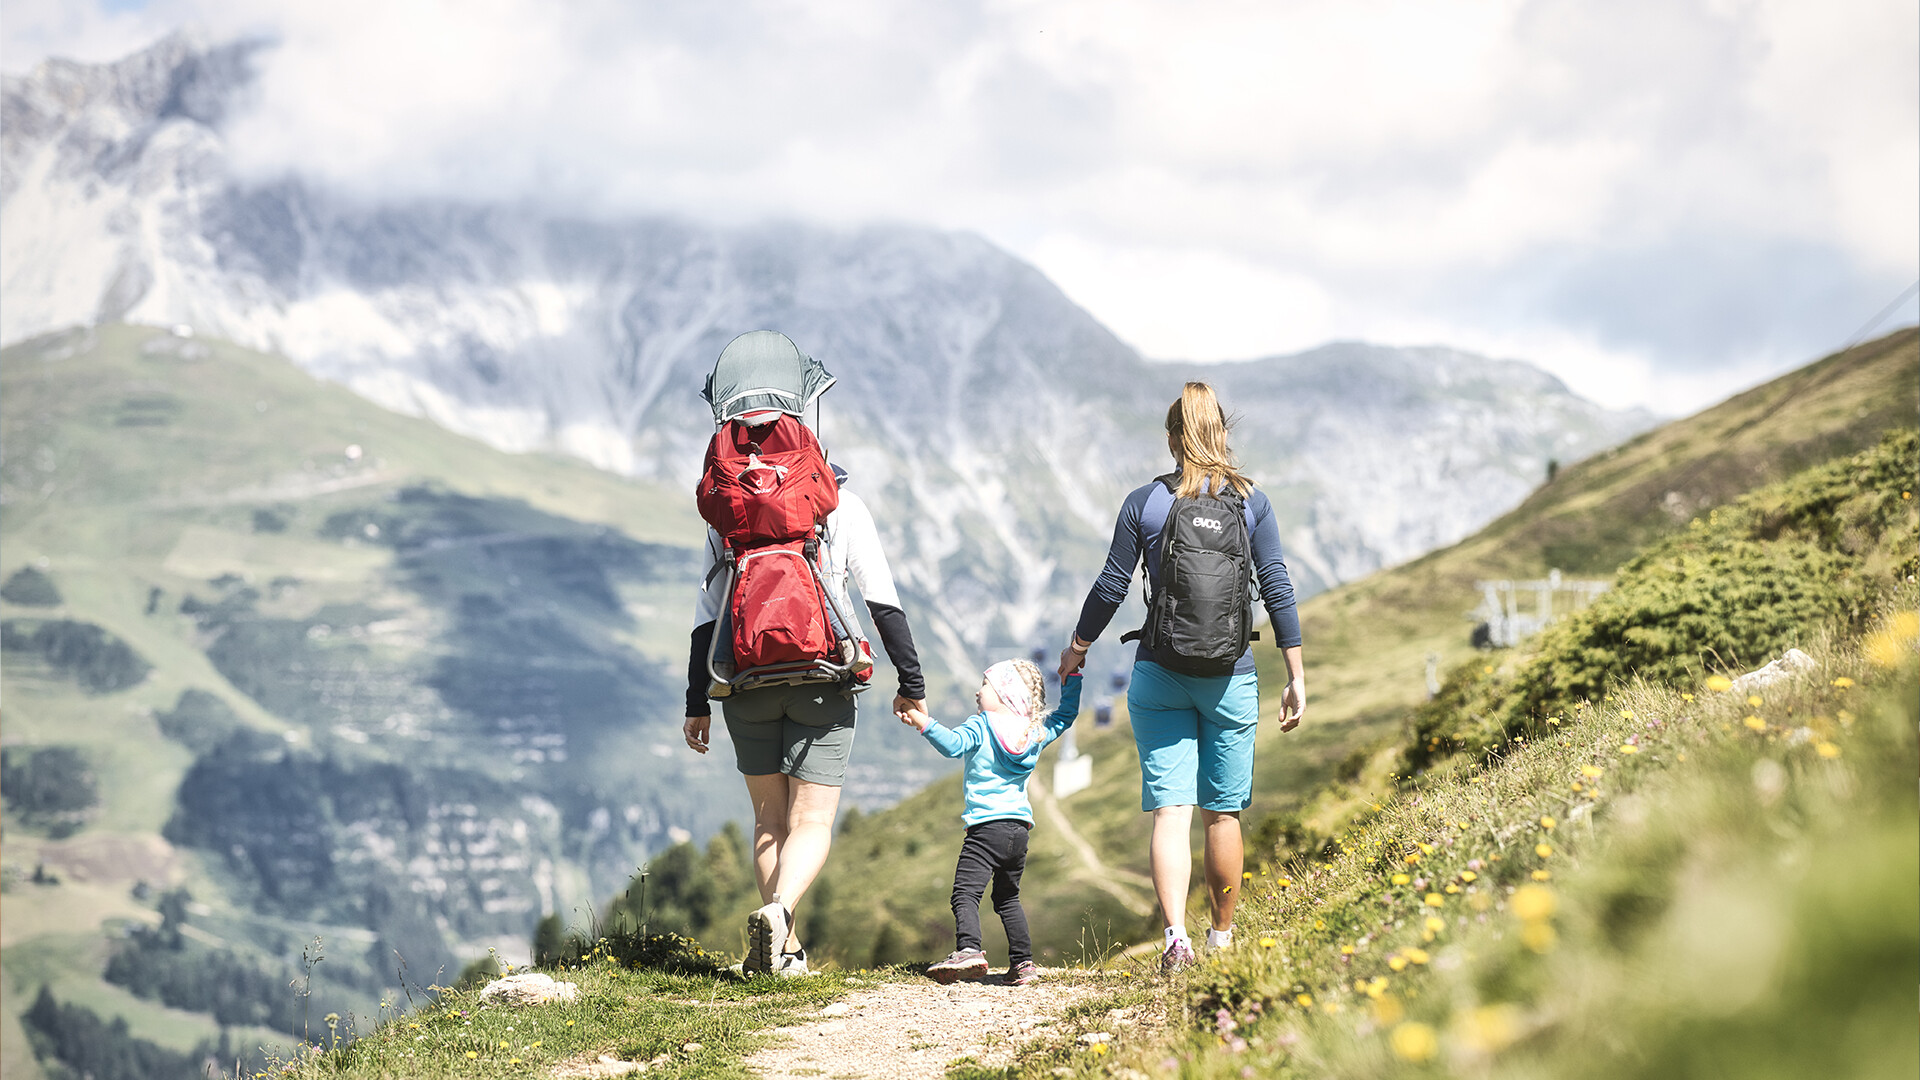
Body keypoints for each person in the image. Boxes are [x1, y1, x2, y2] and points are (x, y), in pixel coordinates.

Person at [683, 330, 926, 977]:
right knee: (813, 817)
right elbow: (883, 603)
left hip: (743, 680)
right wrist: (913, 681)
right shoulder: (841, 506)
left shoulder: (728, 515)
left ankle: (782, 953)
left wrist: (695, 703)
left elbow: (706, 616)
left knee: (768, 819)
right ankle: (781, 916)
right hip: (823, 674)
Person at [1058, 381, 1305, 972]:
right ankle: (1222, 941)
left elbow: (1112, 586)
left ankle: (1177, 940)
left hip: (1159, 672)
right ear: (1222, 433)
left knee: (1170, 811)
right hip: (1230, 674)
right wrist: (1296, 673)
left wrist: (1077, 648)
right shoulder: (1253, 503)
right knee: (1222, 814)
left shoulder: (1145, 502)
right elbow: (1277, 587)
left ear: (1172, 440)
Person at [899, 659, 1084, 986]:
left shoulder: (981, 725)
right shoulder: (1034, 732)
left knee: (964, 894)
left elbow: (953, 745)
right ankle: (1023, 963)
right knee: (1007, 898)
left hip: (985, 827)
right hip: (1019, 831)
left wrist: (921, 721)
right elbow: (1066, 715)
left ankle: (969, 949)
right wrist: (1072, 679)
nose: (977, 691)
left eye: (985, 685)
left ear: (1004, 694)